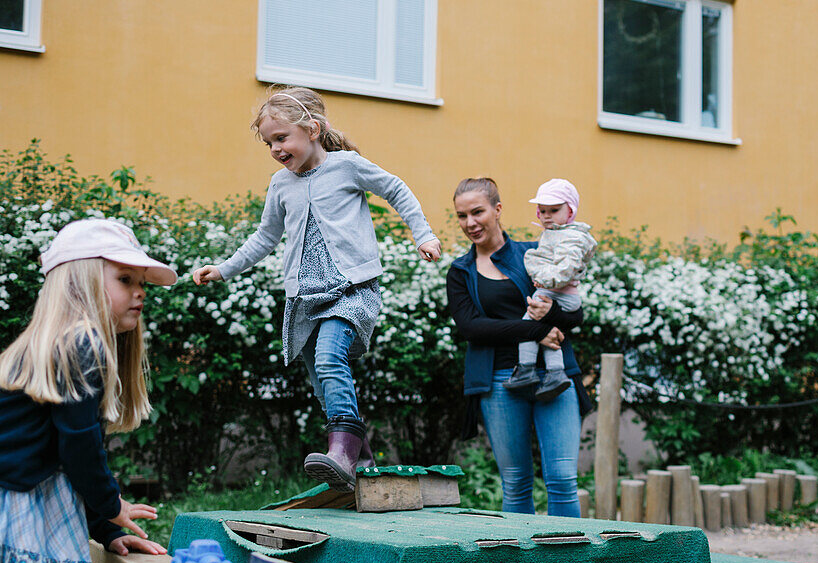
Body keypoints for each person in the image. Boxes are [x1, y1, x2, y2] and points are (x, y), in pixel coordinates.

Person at [192, 86, 441, 493]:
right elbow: (264, 237)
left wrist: (423, 236)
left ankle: (341, 450)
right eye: (269, 141)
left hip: (352, 289)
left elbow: (397, 189)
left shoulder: (346, 167)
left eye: (281, 138)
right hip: (304, 298)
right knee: (325, 385)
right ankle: (359, 464)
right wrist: (223, 269)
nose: (275, 148)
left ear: (312, 129)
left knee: (329, 359)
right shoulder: (280, 184)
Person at [0, 219, 174, 563]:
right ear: (80, 283)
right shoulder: (83, 341)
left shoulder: (62, 342)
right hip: (19, 505)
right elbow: (80, 451)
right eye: (125, 278)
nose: (140, 291)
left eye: (140, 280)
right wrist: (113, 506)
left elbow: (67, 457)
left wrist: (105, 528)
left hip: (35, 496)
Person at [447, 178, 592, 517]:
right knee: (515, 482)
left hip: (554, 375)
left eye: (478, 212)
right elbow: (472, 328)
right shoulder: (460, 272)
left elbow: (574, 313)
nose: (470, 223)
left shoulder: (535, 252)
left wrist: (550, 317)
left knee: (561, 480)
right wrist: (535, 331)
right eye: (462, 215)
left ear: (497, 210)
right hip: (499, 382)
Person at [503, 178, 597, 401]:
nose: (546, 216)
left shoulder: (570, 237)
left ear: (570, 211)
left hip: (560, 294)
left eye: (554, 210)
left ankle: (526, 368)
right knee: (547, 330)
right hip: (561, 294)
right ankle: (555, 373)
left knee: (528, 324)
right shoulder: (557, 233)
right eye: (542, 210)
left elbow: (565, 269)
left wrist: (543, 278)